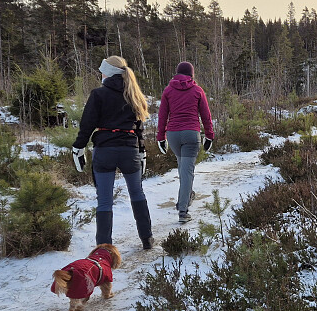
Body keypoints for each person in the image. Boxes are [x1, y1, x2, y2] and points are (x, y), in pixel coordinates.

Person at [72, 56, 154, 249]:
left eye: (102, 70)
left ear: (107, 73)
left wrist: (79, 147)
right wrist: (141, 151)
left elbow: (87, 124)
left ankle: (103, 249)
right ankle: (147, 239)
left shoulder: (98, 94)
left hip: (105, 150)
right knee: (137, 193)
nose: (100, 73)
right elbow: (139, 128)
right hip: (129, 150)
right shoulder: (133, 94)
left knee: (104, 201)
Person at [156, 61, 214, 224]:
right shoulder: (197, 90)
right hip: (190, 134)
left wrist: (161, 137)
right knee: (187, 171)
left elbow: (162, 116)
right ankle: (183, 210)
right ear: (191, 75)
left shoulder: (168, 91)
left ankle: (187, 195)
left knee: (183, 167)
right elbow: (206, 115)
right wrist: (209, 135)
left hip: (173, 134)